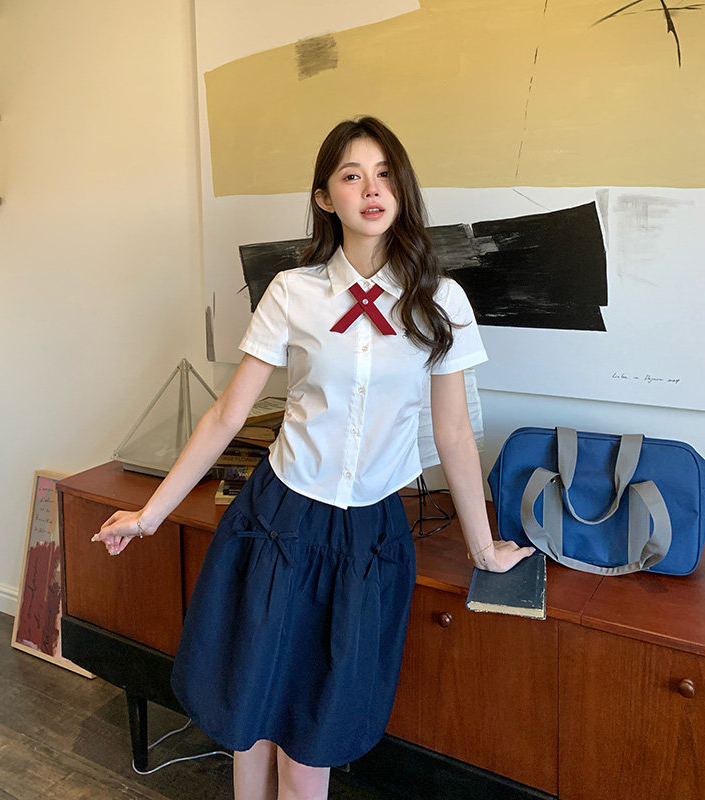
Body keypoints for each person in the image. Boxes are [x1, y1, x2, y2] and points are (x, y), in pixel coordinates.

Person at [91, 115, 535, 800]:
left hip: (368, 536)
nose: (371, 189)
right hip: (278, 522)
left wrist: (484, 549)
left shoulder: (441, 301)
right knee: (252, 720)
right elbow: (227, 414)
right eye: (352, 175)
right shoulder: (292, 292)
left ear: (402, 189)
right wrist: (149, 516)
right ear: (326, 196)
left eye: (384, 174)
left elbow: (452, 434)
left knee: (310, 741)